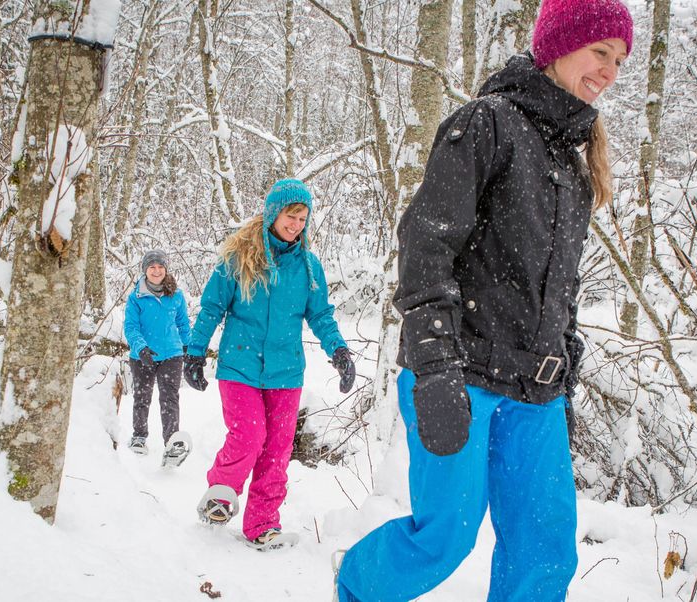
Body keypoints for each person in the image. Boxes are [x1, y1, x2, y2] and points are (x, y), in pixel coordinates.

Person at [335, 0, 633, 599]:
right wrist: (435, 366)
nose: (609, 71)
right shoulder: (486, 124)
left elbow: (559, 283)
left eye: (620, 59)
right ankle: (356, 585)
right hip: (460, 373)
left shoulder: (575, 167)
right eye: (600, 51)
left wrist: (563, 360)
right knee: (444, 537)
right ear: (559, 44)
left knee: (543, 549)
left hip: (536, 392)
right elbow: (427, 246)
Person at [183, 178, 357, 551]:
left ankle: (261, 524)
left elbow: (321, 315)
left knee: (277, 451)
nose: (296, 224)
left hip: (286, 372)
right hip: (239, 366)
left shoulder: (308, 267)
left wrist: (339, 351)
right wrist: (195, 351)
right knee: (249, 434)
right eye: (290, 216)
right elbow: (212, 307)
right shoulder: (239, 258)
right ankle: (220, 494)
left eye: (302, 218)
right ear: (273, 214)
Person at [123, 249, 192, 466]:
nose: (156, 271)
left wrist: (189, 346)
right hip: (143, 355)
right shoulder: (136, 297)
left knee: (169, 398)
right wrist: (141, 347)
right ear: (145, 270)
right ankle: (139, 437)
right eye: (152, 267)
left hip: (171, 353)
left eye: (160, 267)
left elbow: (182, 323)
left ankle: (171, 443)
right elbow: (131, 326)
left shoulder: (176, 295)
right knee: (142, 397)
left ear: (165, 269)